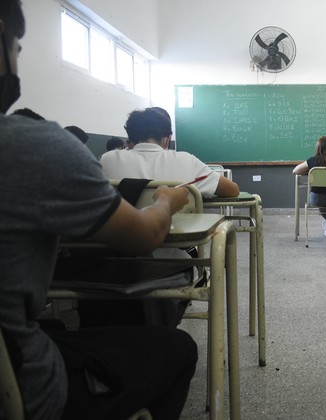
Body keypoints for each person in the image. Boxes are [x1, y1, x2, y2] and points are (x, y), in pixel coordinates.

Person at [0, 2, 197, 419]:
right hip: (21, 384)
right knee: (178, 349)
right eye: (17, 47)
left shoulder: (106, 160)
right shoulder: (34, 146)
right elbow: (143, 236)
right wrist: (167, 199)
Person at [101, 107, 240, 198]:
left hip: (122, 234)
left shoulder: (107, 160)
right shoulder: (186, 161)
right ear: (167, 140)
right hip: (178, 233)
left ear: (130, 140)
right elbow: (232, 190)